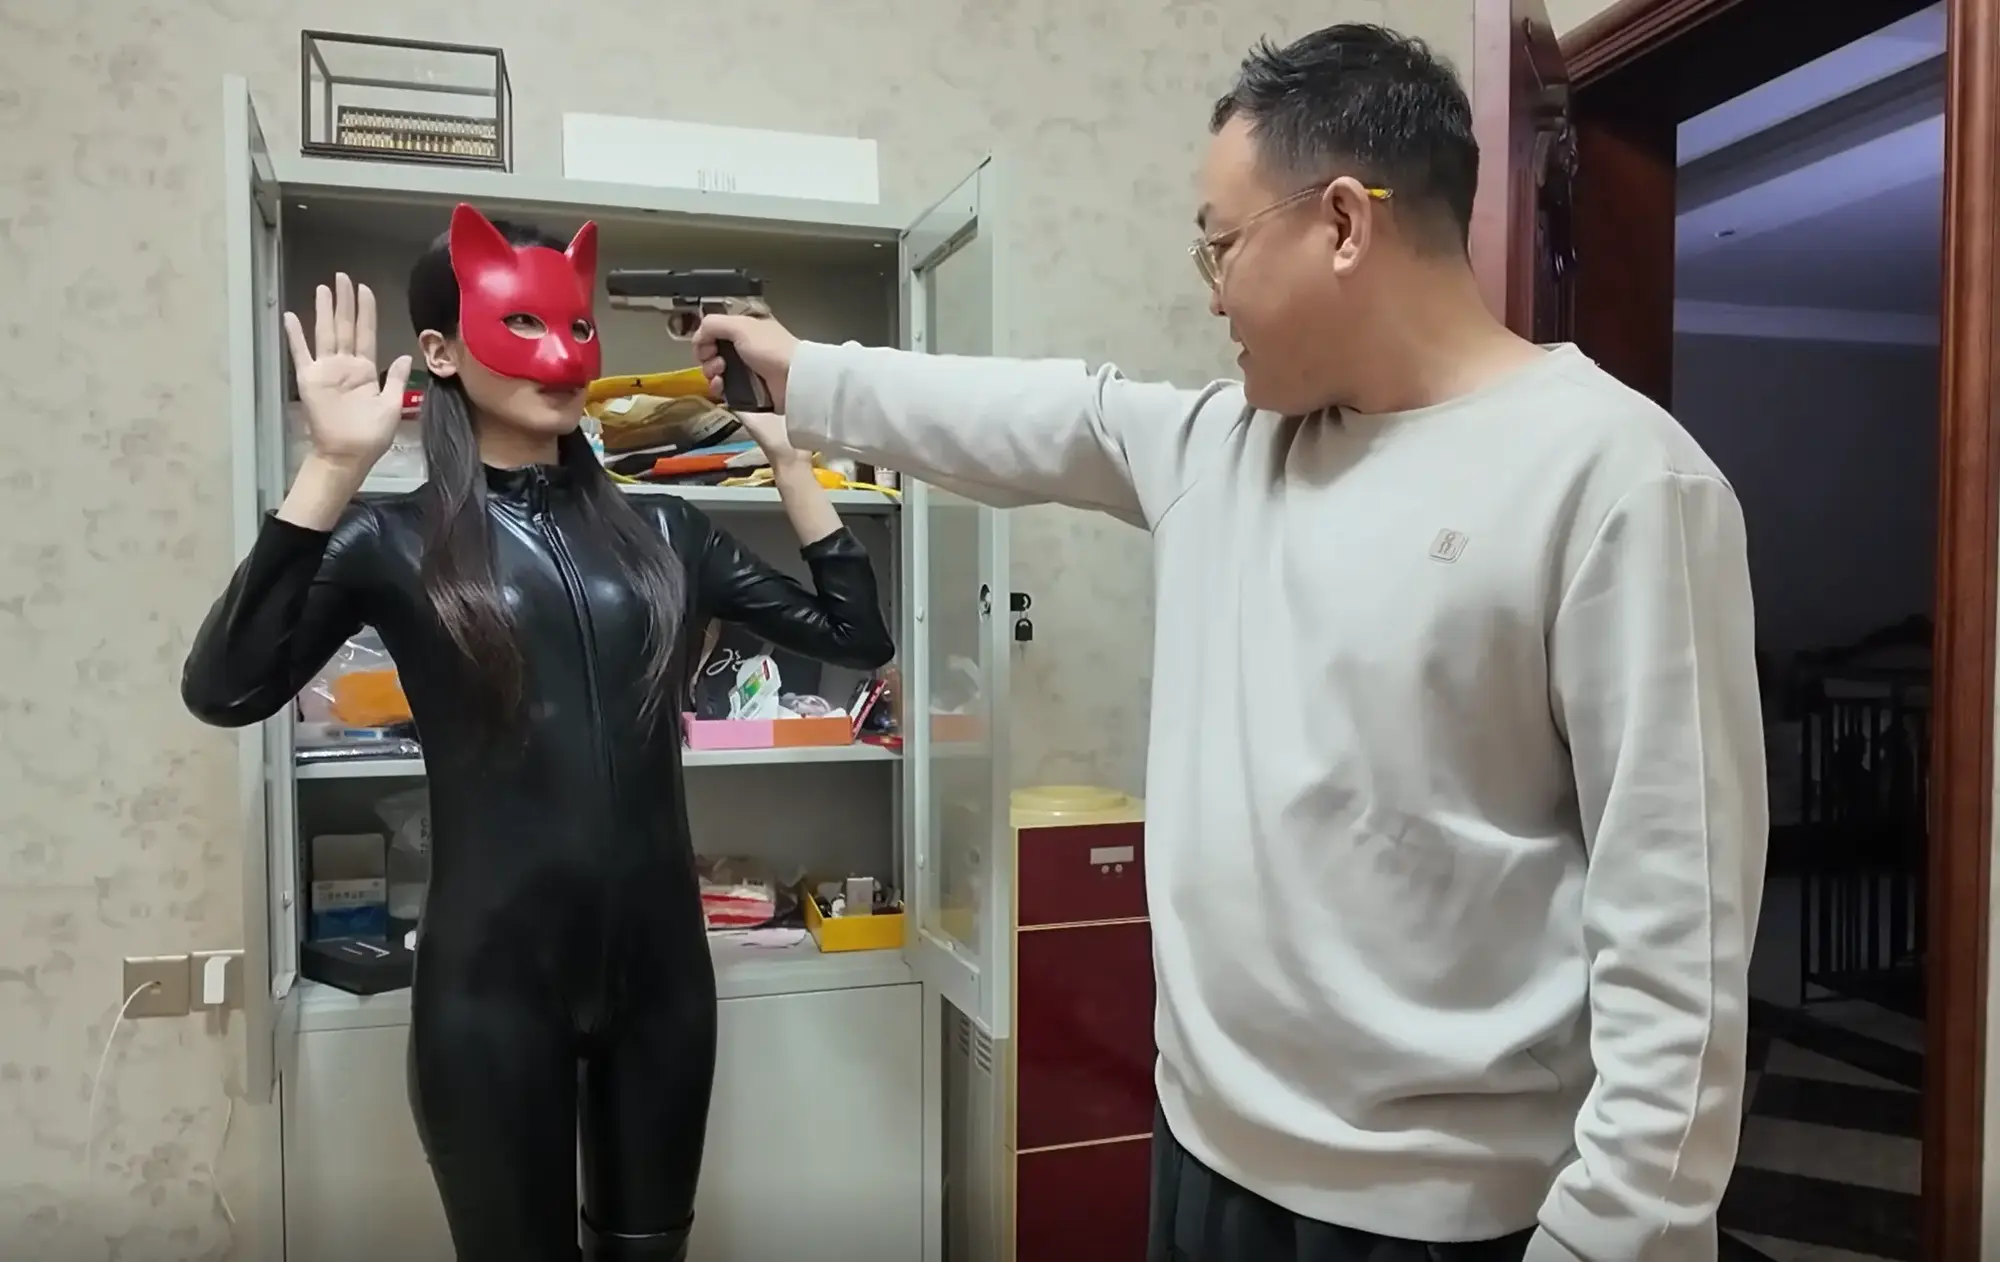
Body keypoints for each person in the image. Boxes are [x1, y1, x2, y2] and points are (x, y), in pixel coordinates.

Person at [693, 23, 1766, 1262]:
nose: (1209, 290)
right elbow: (1038, 412)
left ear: (1343, 223)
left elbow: (1675, 942)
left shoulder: (1617, 480)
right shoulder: (1220, 446)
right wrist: (802, 372)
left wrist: (1606, 1239)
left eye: (1221, 243)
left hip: (1446, 1215)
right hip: (1203, 1158)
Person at [181, 205, 895, 1262]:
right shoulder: (392, 539)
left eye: (577, 325)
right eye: (522, 322)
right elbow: (226, 689)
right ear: (440, 351)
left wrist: (792, 461)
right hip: (490, 988)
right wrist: (329, 471)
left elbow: (856, 634)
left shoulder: (665, 528)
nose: (561, 354)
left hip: (662, 980)